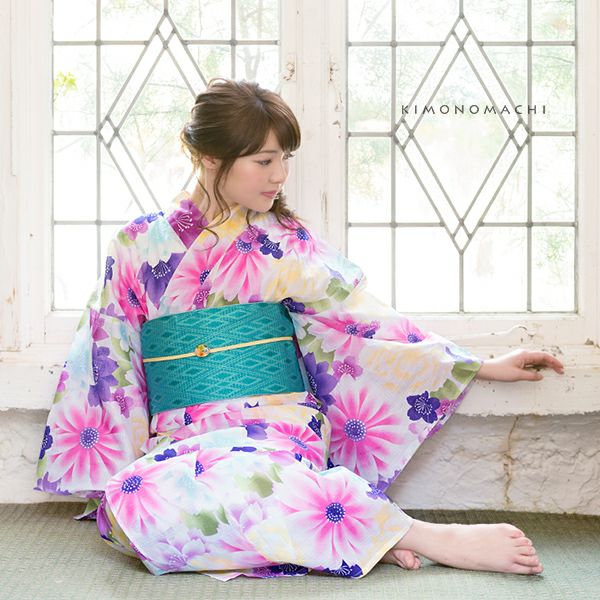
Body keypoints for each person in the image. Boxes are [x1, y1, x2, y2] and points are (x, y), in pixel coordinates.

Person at [35, 77, 565, 580]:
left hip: (273, 429)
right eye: (265, 160)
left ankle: (420, 535)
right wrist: (124, 457)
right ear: (210, 157)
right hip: (183, 439)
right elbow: (112, 354)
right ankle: (355, 532)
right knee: (131, 503)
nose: (280, 175)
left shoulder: (284, 241)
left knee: (256, 479)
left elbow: (361, 322)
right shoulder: (136, 244)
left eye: (284, 159)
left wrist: (479, 364)